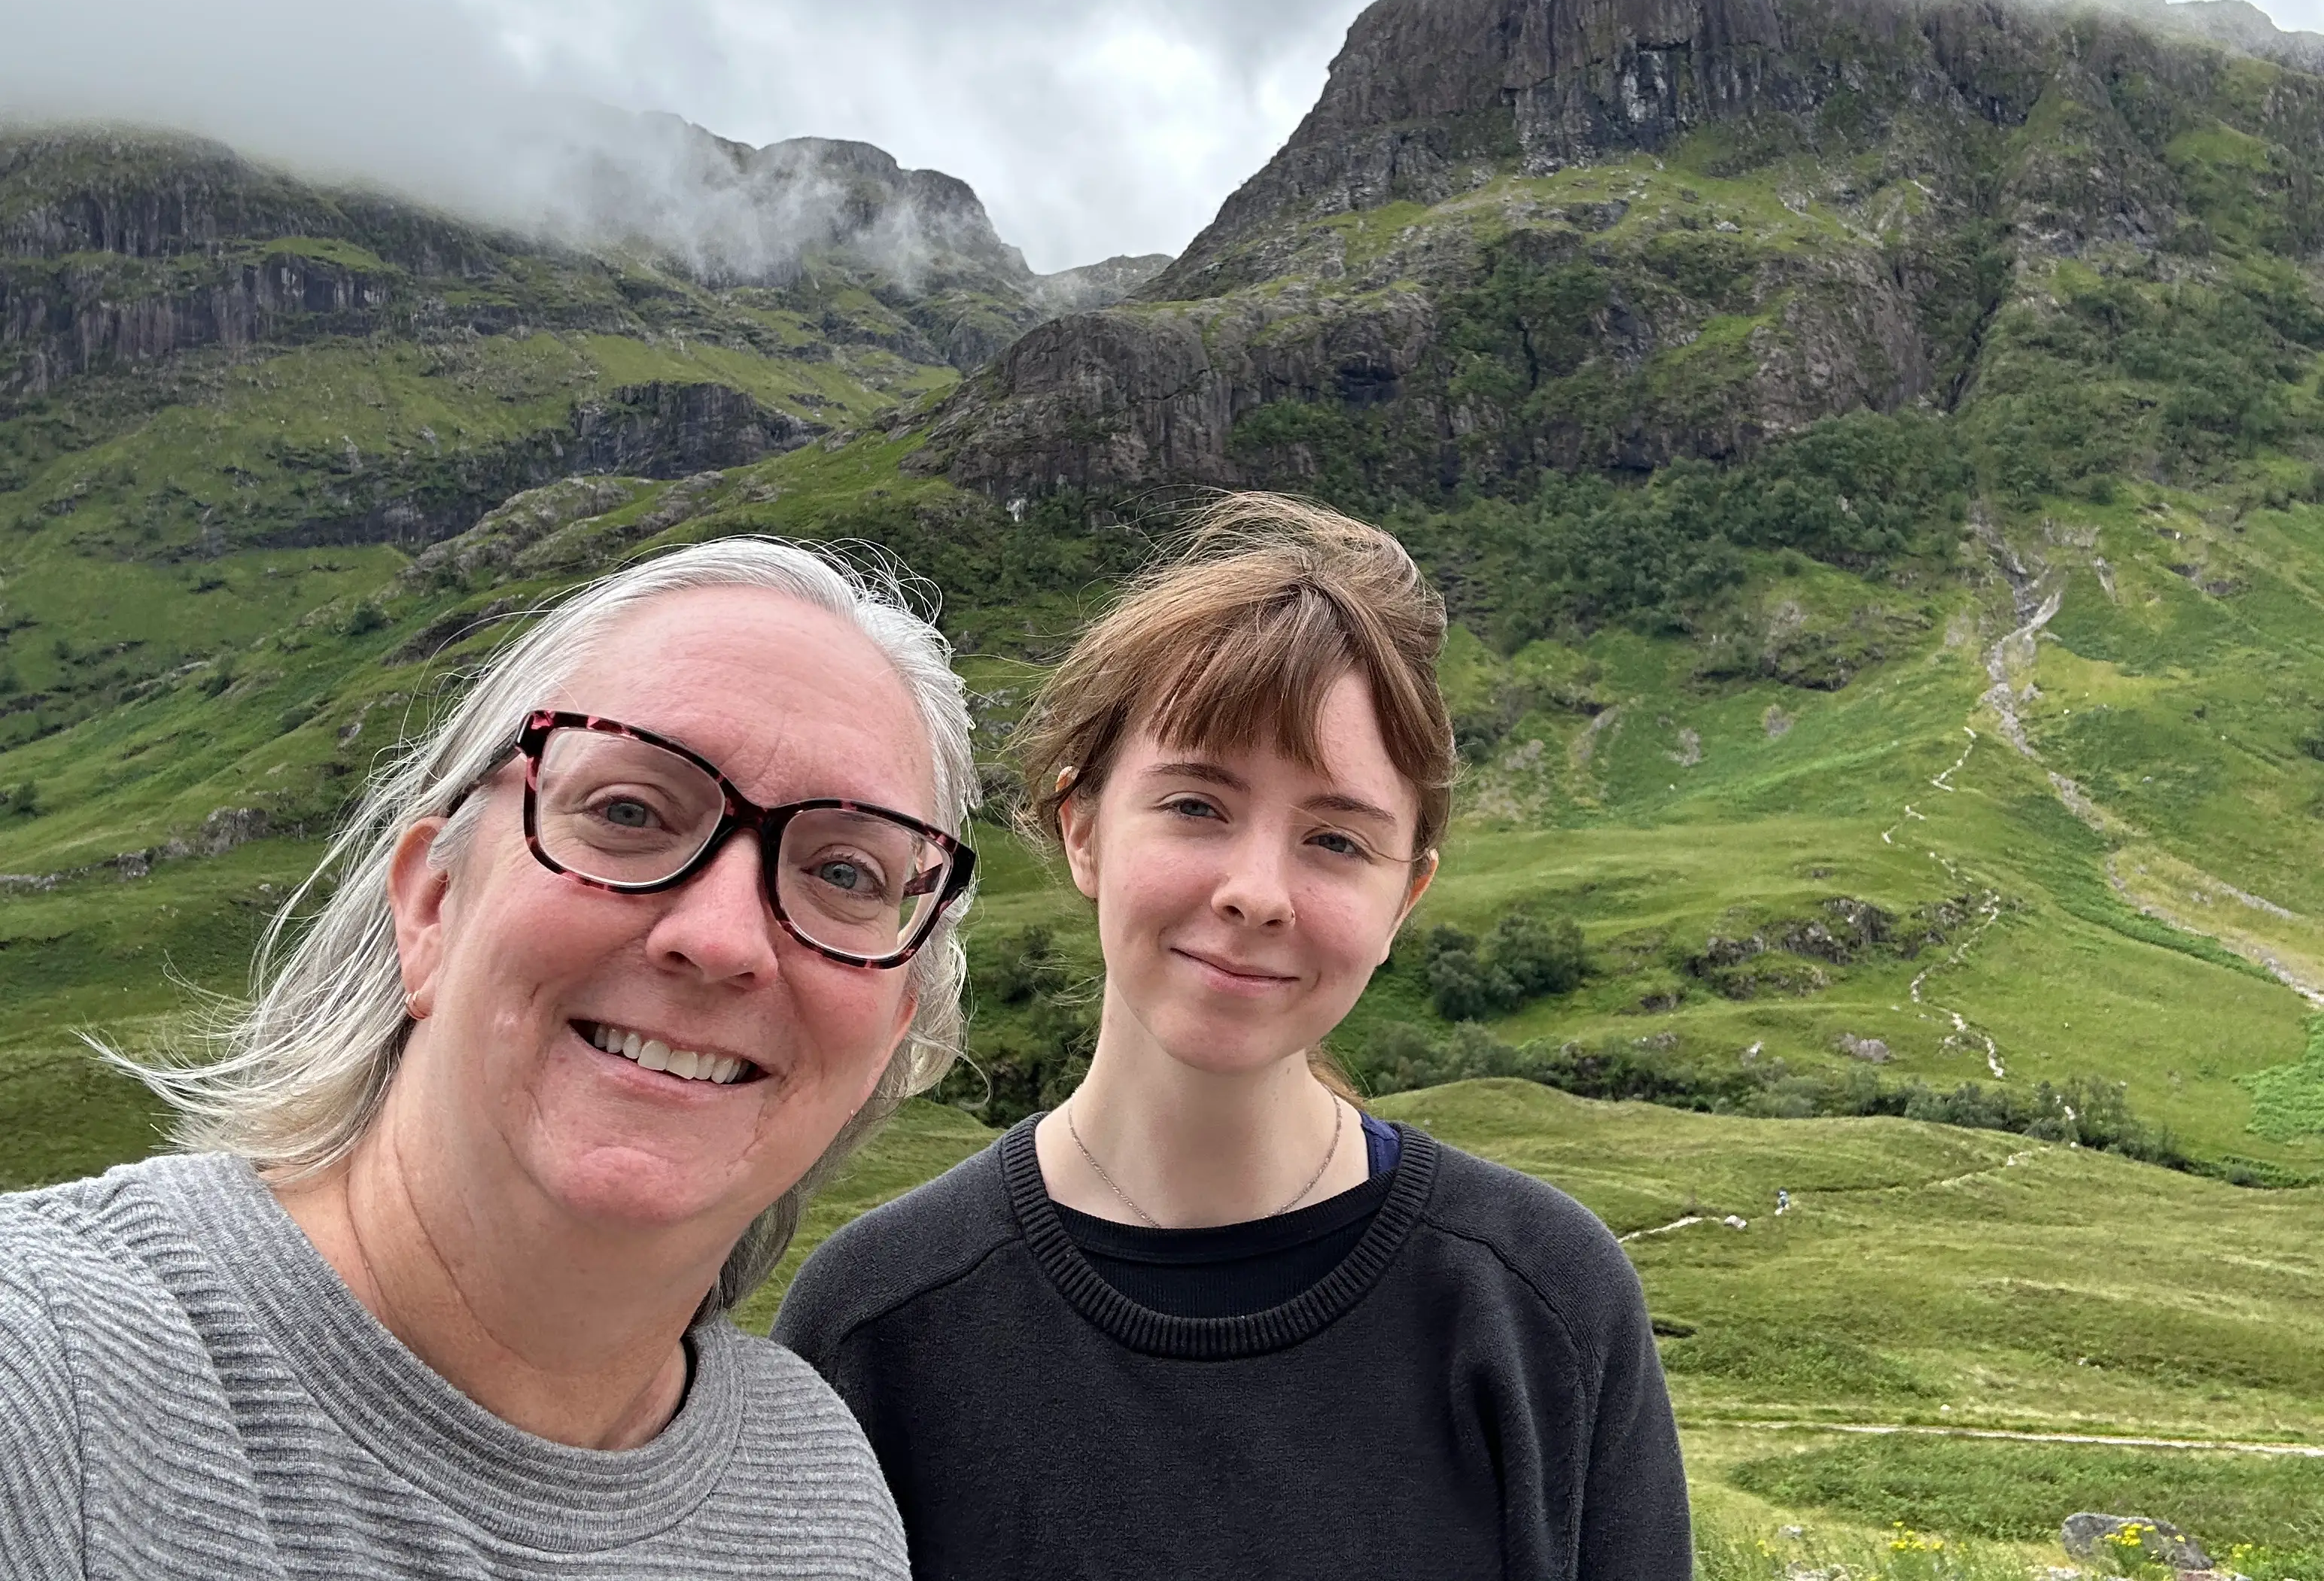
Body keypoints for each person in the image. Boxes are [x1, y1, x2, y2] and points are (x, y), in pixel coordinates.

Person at [0, 537, 982, 1579]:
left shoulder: (815, 1499)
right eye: (631, 812)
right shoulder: (44, 1371)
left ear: (893, 1024)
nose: (724, 939)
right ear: (431, 904)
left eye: (846, 869)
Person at [777, 494, 1693, 1581]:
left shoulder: (1546, 1302)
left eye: (1337, 839)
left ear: (1406, 899)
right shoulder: (877, 1322)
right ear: (1081, 828)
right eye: (1198, 807)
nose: (1257, 892)